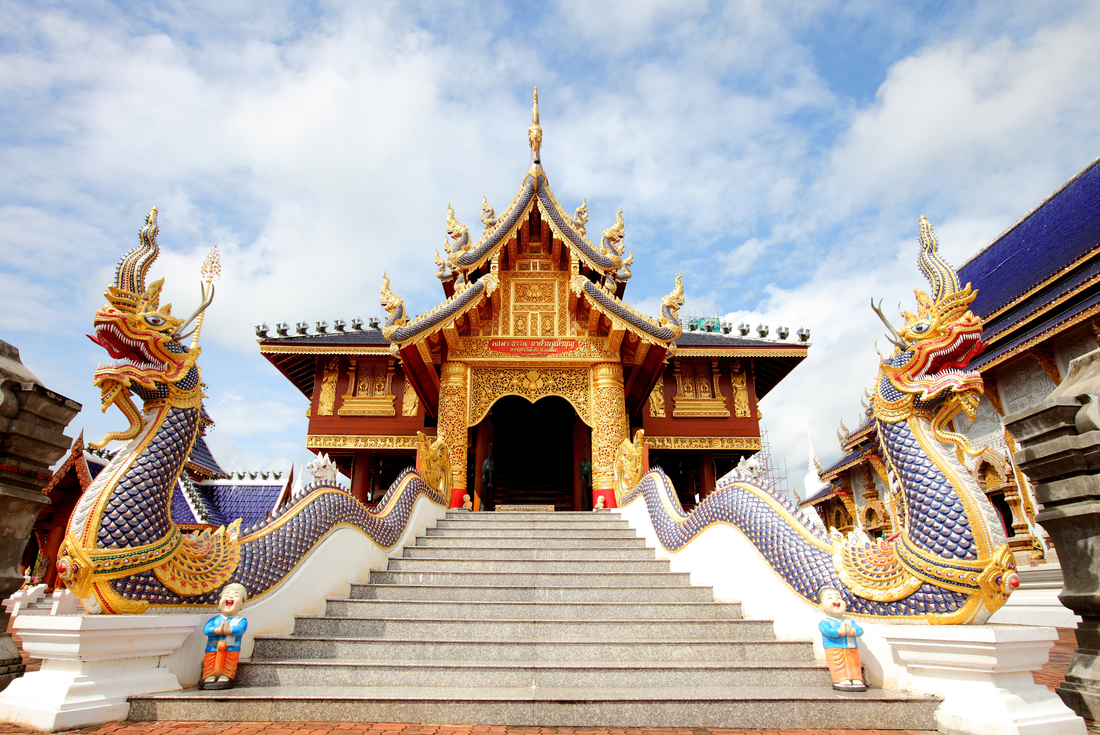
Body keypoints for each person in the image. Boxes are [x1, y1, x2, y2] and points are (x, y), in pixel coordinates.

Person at [817, 585, 866, 691]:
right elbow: (829, 631)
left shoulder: (849, 622)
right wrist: (839, 632)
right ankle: (841, 678)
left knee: (853, 662)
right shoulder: (825, 623)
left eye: (838, 598)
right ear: (821, 607)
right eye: (830, 598)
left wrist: (852, 631)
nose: (836, 600)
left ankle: (856, 678)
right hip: (834, 648)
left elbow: (860, 630)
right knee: (838, 664)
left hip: (851, 646)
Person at [202, 583, 249, 689]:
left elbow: (240, 629)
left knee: (229, 661)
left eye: (236, 595)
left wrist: (229, 630)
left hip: (231, 646)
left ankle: (226, 675)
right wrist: (218, 630)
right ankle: (209, 675)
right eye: (226, 594)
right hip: (213, 647)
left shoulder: (240, 620)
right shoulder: (215, 620)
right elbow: (206, 629)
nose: (230, 597)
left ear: (242, 604)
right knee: (210, 661)